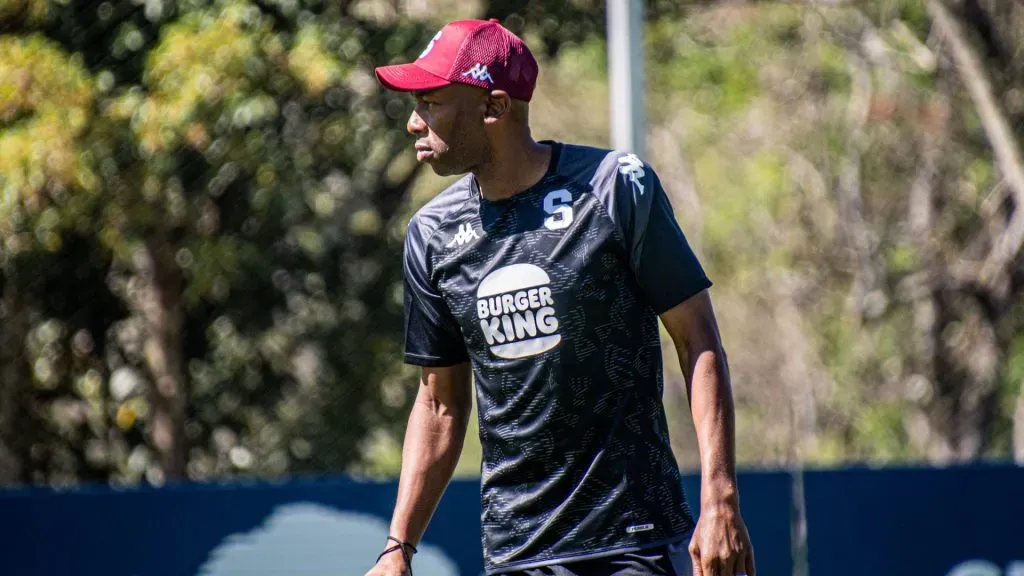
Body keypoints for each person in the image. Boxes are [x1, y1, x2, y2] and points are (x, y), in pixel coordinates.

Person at [367, 18, 755, 576]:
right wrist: (397, 548)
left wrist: (720, 501)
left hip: (634, 542)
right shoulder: (431, 235)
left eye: (430, 102)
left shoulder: (615, 187)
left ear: (494, 108)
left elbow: (698, 339)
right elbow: (439, 403)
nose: (413, 122)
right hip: (517, 553)